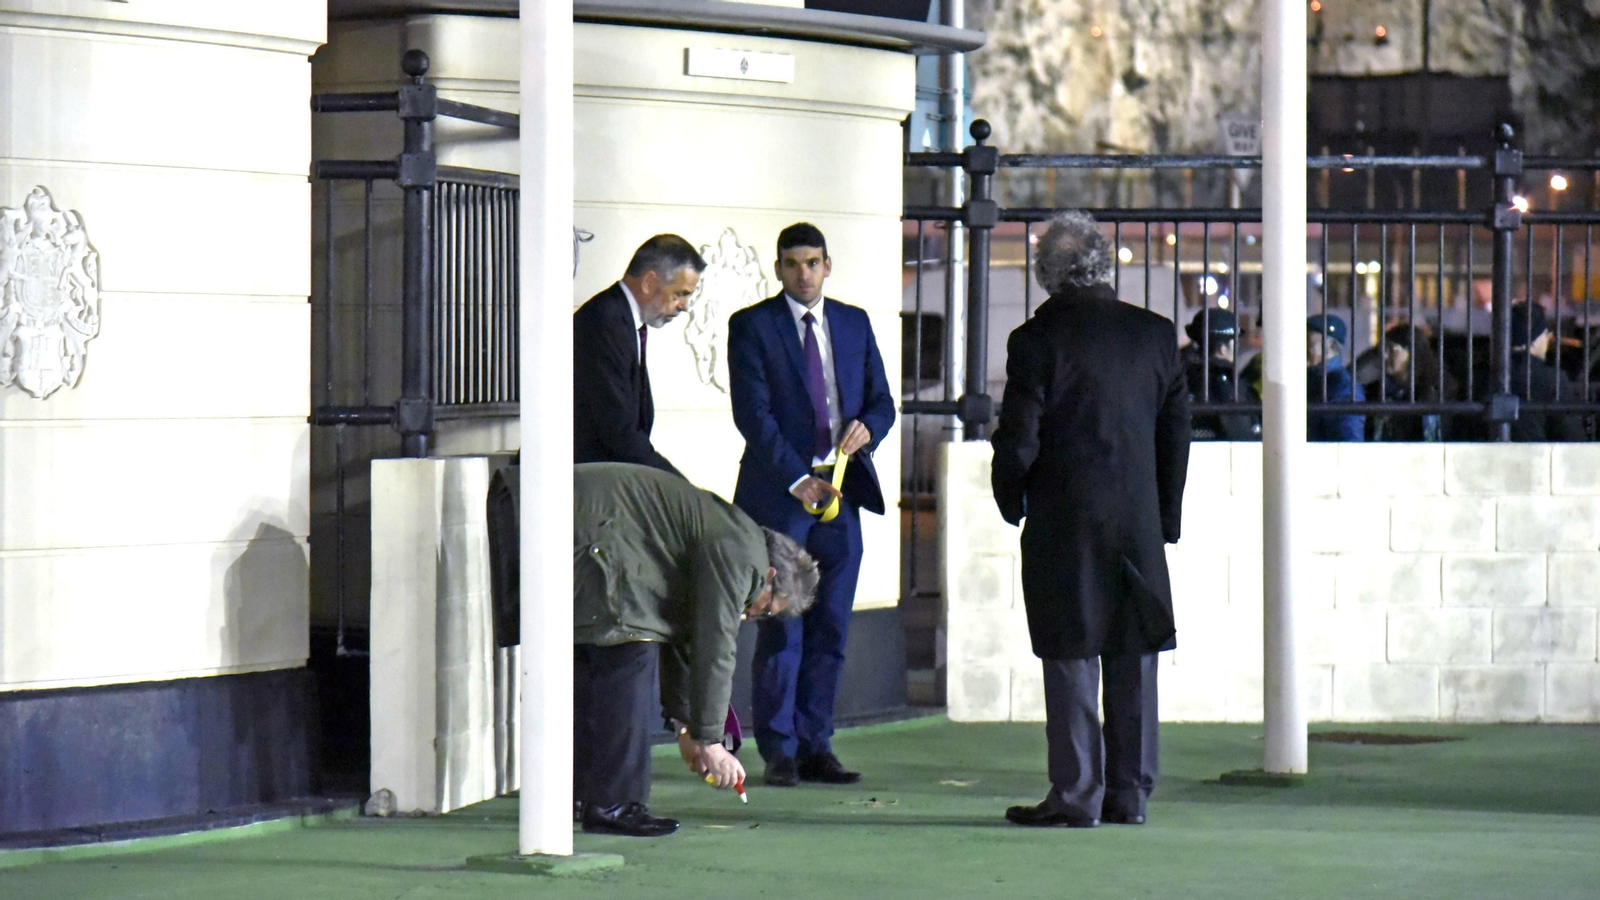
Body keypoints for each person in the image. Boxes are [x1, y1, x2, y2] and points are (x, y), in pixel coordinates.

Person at [989, 211, 1191, 828]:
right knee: (1134, 652)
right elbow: (1176, 434)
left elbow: (1020, 436)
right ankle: (1130, 795)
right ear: (1105, 264)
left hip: (1065, 520)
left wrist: (1010, 495)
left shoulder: (1035, 342)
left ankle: (1077, 795)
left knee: (1072, 652)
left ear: (1047, 274)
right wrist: (1165, 515)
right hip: (1136, 521)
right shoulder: (1156, 335)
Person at [726, 222, 896, 788]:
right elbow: (753, 417)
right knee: (784, 625)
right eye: (793, 263)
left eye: (813, 262)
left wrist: (868, 428)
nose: (804, 273)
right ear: (778, 268)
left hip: (842, 494)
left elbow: (882, 403)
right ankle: (779, 749)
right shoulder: (752, 327)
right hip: (783, 496)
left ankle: (817, 743)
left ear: (828, 266)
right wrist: (798, 478)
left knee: (832, 625)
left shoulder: (853, 323)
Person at [572, 462, 820, 837]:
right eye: (767, 608)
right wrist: (710, 741)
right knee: (629, 653)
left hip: (582, 520)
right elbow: (714, 644)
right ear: (770, 575)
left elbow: (684, 635)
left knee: (600, 669)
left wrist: (686, 725)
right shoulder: (742, 557)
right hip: (590, 526)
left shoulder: (735, 537)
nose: (754, 615)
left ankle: (582, 794)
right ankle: (614, 804)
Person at [573, 234, 705, 475]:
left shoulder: (622, 319)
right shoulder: (604, 322)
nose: (685, 306)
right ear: (649, 282)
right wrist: (676, 484)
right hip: (580, 487)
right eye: (680, 294)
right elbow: (618, 431)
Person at [1474, 303, 1588, 441]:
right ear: (1534, 340)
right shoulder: (1551, 379)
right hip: (1536, 459)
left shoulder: (1479, 375)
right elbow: (1572, 436)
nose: (1547, 340)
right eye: (1545, 334)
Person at [1368, 323, 1458, 442]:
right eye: (1383, 349)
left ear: (1411, 353)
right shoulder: (1378, 390)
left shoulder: (1438, 390)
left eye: (1391, 349)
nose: (1384, 355)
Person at [1182, 307, 1259, 441]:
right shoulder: (1226, 384)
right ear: (1222, 349)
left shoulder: (1182, 376)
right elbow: (1239, 434)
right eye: (1235, 344)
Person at [1307, 313, 1365, 442]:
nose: (1303, 351)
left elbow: (1349, 443)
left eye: (1309, 345)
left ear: (1332, 345)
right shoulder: (1311, 379)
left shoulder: (1343, 387)